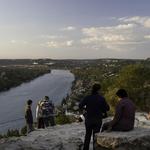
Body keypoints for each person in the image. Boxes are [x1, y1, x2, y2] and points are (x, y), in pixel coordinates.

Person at [79, 83, 110, 150]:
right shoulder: (101, 98)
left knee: (87, 135)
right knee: (95, 136)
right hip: (97, 119)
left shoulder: (87, 97)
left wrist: (86, 108)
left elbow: (80, 105)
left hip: (88, 119)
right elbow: (107, 108)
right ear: (99, 90)